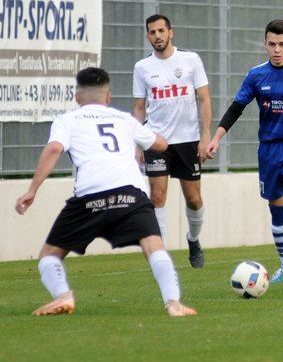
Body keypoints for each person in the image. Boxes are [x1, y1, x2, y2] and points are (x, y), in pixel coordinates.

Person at [15, 67, 196, 317]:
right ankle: (173, 303)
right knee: (155, 248)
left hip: (90, 197)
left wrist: (32, 190)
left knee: (49, 255)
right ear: (108, 96)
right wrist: (142, 142)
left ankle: (63, 296)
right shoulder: (123, 120)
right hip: (130, 194)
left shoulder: (67, 121)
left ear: (77, 97)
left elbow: (54, 149)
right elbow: (161, 144)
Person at [206, 19, 283, 283]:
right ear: (265, 44)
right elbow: (237, 108)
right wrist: (217, 137)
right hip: (268, 149)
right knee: (277, 209)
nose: (277, 49)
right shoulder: (256, 75)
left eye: (282, 44)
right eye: (272, 44)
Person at [133, 14, 212, 268]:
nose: (157, 36)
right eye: (152, 33)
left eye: (161, 31)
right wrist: (137, 143)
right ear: (148, 37)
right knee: (157, 196)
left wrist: (206, 135)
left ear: (171, 32)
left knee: (194, 199)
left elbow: (204, 99)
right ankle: (161, 257)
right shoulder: (142, 68)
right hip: (156, 141)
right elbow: (138, 108)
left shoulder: (190, 60)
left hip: (188, 140)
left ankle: (193, 239)